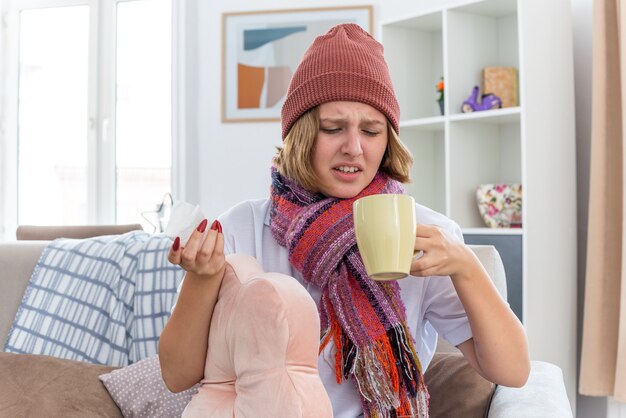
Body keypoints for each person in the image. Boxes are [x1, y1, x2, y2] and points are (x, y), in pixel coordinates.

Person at [159, 23, 530, 417]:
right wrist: (201, 280)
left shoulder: (424, 233)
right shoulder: (242, 227)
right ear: (300, 135)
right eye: (333, 129)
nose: (354, 148)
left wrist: (467, 267)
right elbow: (177, 375)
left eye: (371, 130)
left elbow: (513, 371)